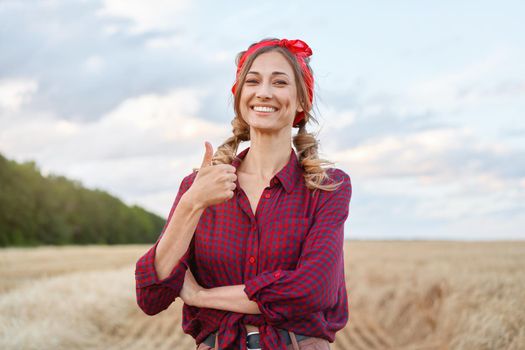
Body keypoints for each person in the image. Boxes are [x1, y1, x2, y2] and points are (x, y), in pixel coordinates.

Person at [135, 38, 352, 350]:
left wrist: (201, 296)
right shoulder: (198, 188)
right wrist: (192, 203)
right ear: (239, 97)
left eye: (279, 82)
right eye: (253, 81)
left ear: (302, 102)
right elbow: (151, 296)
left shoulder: (327, 188)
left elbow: (312, 290)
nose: (264, 92)